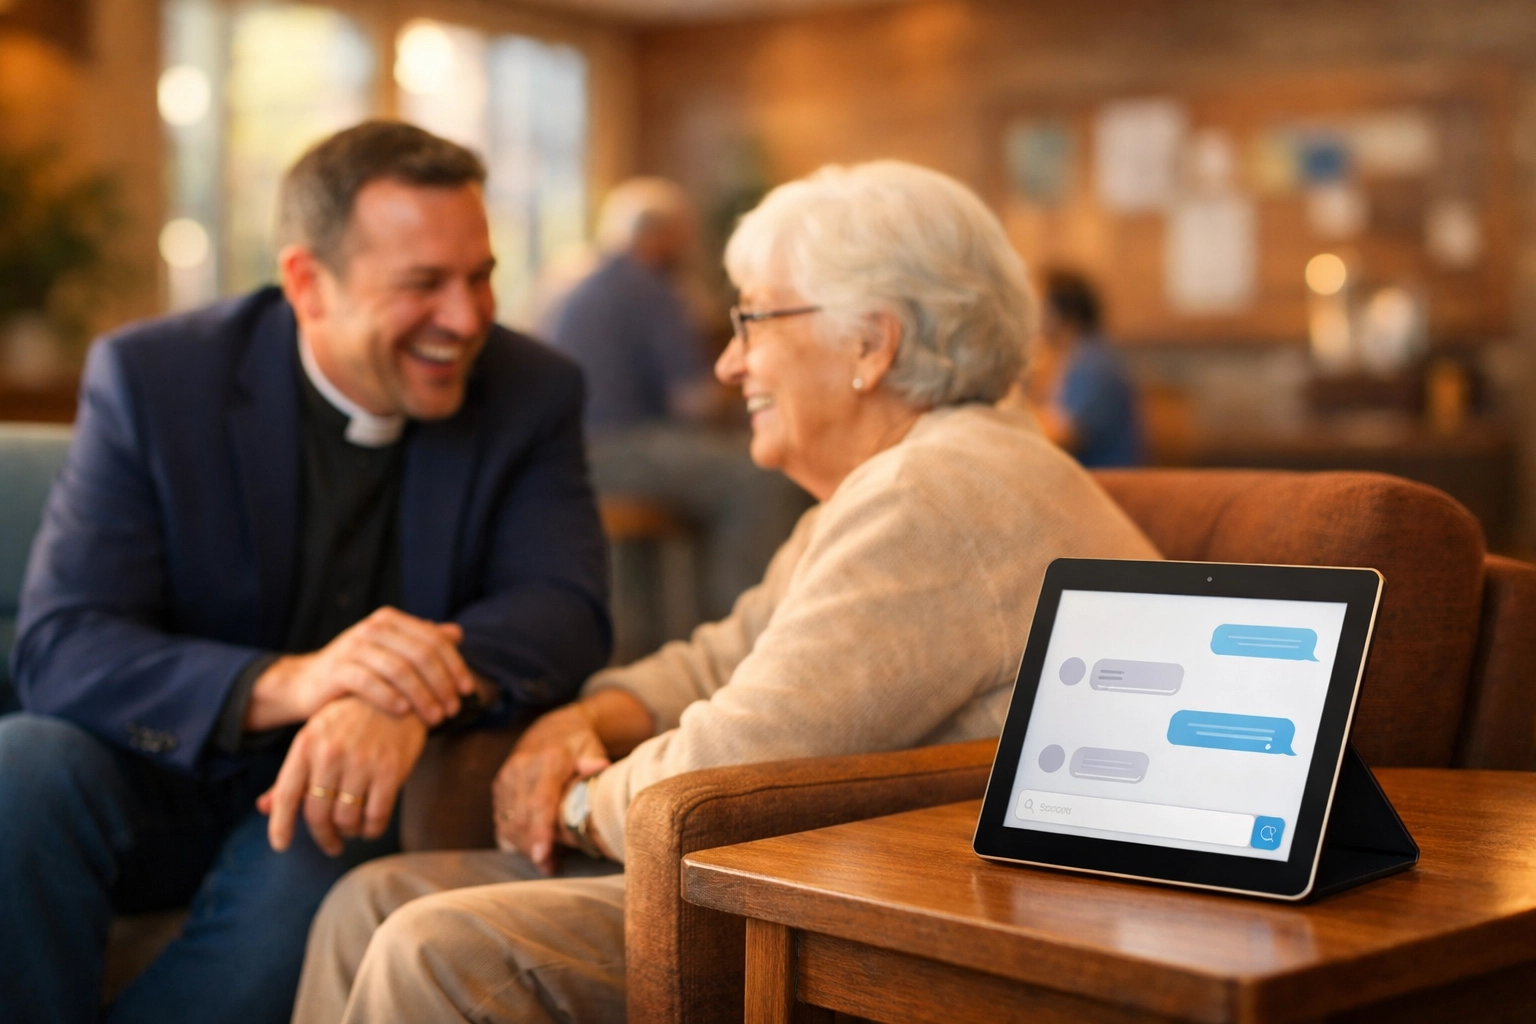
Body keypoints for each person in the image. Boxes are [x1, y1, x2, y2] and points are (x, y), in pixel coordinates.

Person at [292, 160, 1160, 1024]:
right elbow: (725, 652)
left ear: (871, 343)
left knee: (428, 946)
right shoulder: (897, 479)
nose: (729, 361)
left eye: (753, 319)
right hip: (804, 868)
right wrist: (590, 718)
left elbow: (737, 755)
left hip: (887, 913)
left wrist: (566, 801)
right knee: (366, 903)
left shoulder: (934, 495)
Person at [0, 121, 610, 1024]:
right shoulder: (156, 378)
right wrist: (299, 681)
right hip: (154, 773)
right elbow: (61, 645)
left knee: (335, 825)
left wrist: (395, 692)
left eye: (479, 275)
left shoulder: (531, 389)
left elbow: (564, 607)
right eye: (423, 284)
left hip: (345, 790)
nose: (469, 316)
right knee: (20, 763)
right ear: (306, 284)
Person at [543, 177, 811, 623]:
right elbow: (694, 403)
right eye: (682, 234)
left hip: (568, 454)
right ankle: (750, 625)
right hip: (615, 449)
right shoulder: (649, 286)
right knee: (759, 473)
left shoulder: (584, 283)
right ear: (661, 234)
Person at [1006, 269, 1144, 467]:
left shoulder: (1094, 363)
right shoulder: (1074, 355)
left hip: (1109, 483)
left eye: (1037, 303)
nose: (1030, 314)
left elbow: (1061, 436)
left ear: (1061, 312)